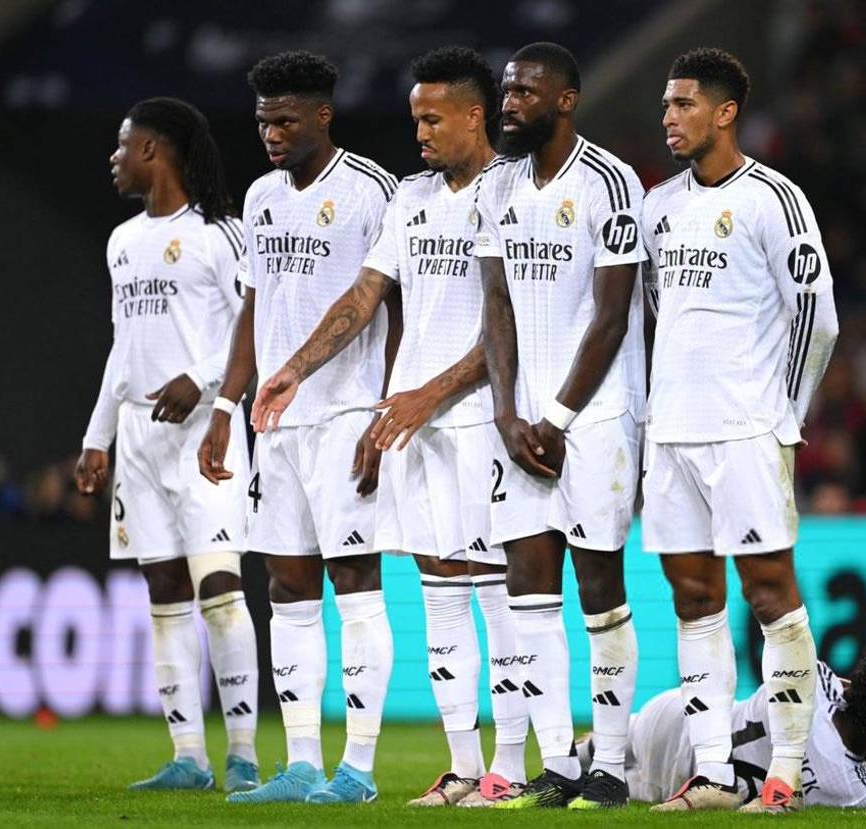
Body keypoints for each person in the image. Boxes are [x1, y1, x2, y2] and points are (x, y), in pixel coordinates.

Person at [250, 45, 530, 809]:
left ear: (475, 114)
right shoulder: (411, 196)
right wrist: (295, 369)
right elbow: (365, 295)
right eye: (416, 119)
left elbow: (513, 326)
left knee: (496, 594)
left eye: (433, 119)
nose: (421, 132)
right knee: (441, 592)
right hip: (414, 425)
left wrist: (424, 394)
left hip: (482, 419)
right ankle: (465, 766)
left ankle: (511, 764)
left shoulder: (516, 192)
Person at [195, 51, 401, 806]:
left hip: (346, 416)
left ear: (323, 113)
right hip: (274, 427)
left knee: (356, 583)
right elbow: (253, 307)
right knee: (286, 587)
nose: (271, 134)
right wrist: (225, 408)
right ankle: (303, 764)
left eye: (284, 120)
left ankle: (360, 769)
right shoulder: (260, 197)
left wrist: (384, 413)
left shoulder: (372, 190)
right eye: (262, 122)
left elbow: (396, 306)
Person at [640, 47, 840, 813]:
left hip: (746, 429)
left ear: (725, 112)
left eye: (683, 104)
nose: (668, 117)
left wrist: (785, 412)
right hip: (672, 432)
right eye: (666, 104)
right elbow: (657, 310)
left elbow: (816, 316)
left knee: (769, 592)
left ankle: (784, 774)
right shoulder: (659, 206)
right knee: (693, 597)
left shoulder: (774, 200)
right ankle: (715, 773)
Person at [473, 42, 647, 810]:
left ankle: (609, 766)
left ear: (565, 101)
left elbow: (612, 316)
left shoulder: (611, 181)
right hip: (521, 422)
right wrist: (506, 412)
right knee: (528, 591)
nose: (508, 103)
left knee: (599, 586)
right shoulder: (496, 185)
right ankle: (558, 764)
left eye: (524, 92)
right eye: (506, 90)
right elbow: (496, 305)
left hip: (596, 415)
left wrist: (558, 417)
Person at [74, 97, 259, 794]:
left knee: (219, 586)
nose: (114, 158)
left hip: (206, 430)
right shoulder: (122, 241)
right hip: (139, 437)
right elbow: (122, 347)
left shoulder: (220, 233)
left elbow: (253, 329)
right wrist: (97, 437)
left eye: (123, 145)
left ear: (153, 149)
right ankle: (189, 757)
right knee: (164, 589)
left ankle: (243, 753)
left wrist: (204, 380)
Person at [579, 646, 866, 809]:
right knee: (625, 789)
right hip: (683, 781)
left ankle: (580, 754)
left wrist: (865, 693)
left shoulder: (812, 675)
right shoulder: (851, 791)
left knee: (612, 745)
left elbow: (844, 687)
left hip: (674, 719)